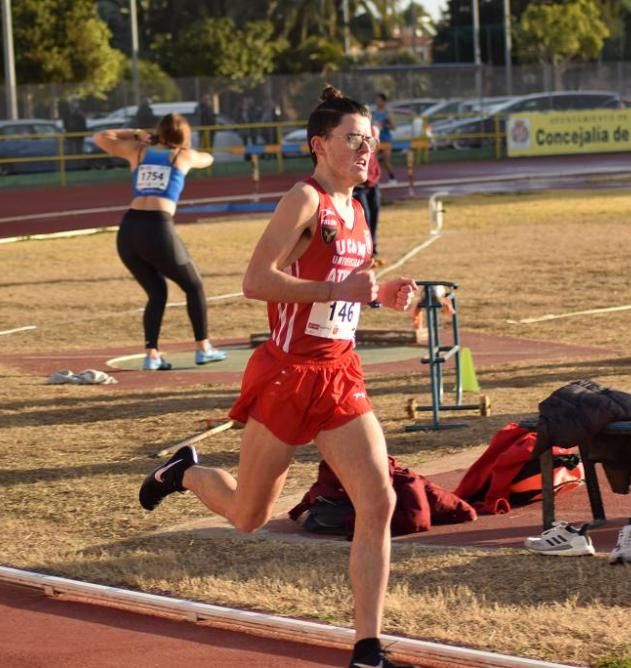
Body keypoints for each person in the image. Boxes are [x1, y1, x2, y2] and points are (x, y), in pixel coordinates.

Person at [138, 86, 417, 668]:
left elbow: (347, 289)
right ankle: (184, 472)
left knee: (379, 499)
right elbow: (255, 280)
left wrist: (383, 295)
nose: (368, 149)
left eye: (371, 139)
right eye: (354, 139)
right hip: (288, 376)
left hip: (339, 373)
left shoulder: (359, 209)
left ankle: (367, 647)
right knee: (248, 517)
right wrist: (338, 289)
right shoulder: (304, 200)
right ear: (320, 145)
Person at [93, 113, 227, 370]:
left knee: (157, 293)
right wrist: (188, 149)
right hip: (157, 227)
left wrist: (136, 133)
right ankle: (203, 348)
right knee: (194, 286)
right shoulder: (182, 156)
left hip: (129, 230)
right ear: (183, 136)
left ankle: (151, 354)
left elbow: (100, 137)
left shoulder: (138, 151)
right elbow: (207, 159)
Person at [353, 124, 382, 267]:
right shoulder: (355, 136)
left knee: (375, 217)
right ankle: (366, 252)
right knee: (366, 219)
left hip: (373, 184)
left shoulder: (374, 131)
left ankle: (373, 249)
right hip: (360, 187)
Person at [371, 93, 397, 183]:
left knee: (386, 160)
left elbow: (393, 127)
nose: (377, 102)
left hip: (386, 140)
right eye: (376, 100)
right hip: (376, 140)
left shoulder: (387, 113)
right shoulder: (374, 113)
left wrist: (384, 125)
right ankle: (373, 180)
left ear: (383, 101)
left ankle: (392, 177)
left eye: (379, 100)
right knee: (371, 160)